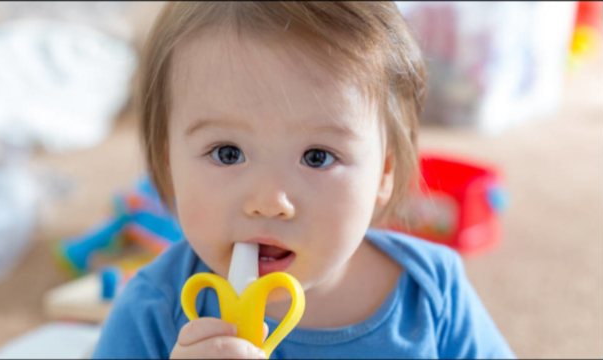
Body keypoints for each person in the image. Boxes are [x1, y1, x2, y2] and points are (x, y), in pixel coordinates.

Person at [92, 2, 515, 358]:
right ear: (168, 165)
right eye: (227, 153)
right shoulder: (152, 311)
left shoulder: (432, 294)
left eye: (318, 157)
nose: (269, 201)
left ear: (384, 173)